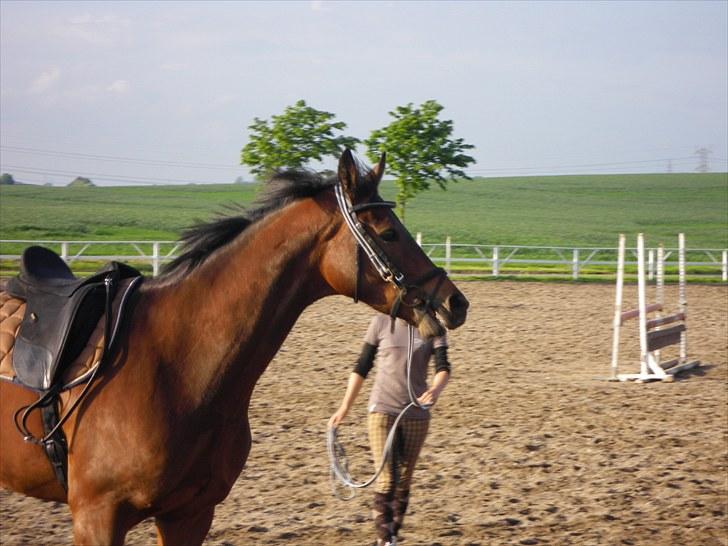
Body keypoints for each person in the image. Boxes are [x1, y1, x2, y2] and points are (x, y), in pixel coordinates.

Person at [328, 313, 451, 546]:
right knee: (386, 480)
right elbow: (362, 366)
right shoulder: (381, 322)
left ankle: (388, 537)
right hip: (381, 410)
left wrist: (435, 390)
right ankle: (386, 541)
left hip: (417, 414)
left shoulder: (435, 327)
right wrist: (345, 407)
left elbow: (443, 367)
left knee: (404, 481)